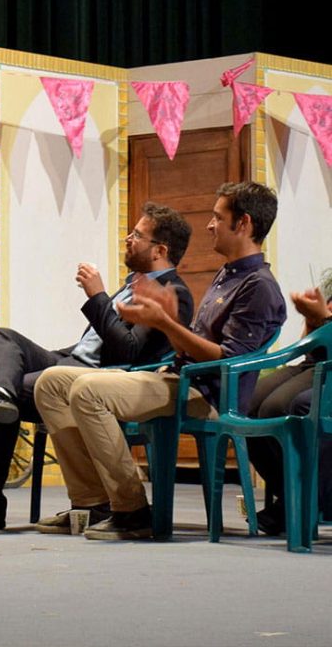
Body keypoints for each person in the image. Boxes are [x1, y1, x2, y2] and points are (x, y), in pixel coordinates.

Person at [34, 181, 286, 540]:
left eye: (218, 217)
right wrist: (165, 322)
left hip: (209, 396)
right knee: (51, 382)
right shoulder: (228, 274)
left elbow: (228, 360)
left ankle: (132, 509)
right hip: (178, 379)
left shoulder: (258, 285)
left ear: (243, 223)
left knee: (88, 390)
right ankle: (92, 503)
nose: (210, 225)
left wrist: (165, 323)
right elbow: (194, 346)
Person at [0, 202, 194, 531]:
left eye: (137, 235)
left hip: (102, 379)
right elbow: (94, 343)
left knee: (8, 398)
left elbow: (129, 351)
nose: (128, 238)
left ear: (160, 250)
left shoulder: (171, 292)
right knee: (3, 339)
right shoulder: (132, 284)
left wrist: (98, 297)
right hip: (71, 361)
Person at [248, 282, 332, 536]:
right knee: (247, 404)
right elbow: (310, 342)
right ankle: (291, 494)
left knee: (285, 407)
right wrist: (313, 319)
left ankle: (302, 500)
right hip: (315, 361)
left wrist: (324, 318)